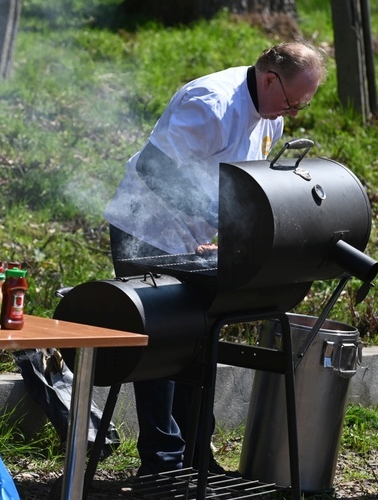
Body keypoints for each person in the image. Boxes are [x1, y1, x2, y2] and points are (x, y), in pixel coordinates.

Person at [104, 38, 327, 477]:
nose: (292, 113)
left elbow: (245, 190)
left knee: (200, 345)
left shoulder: (270, 118)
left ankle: (195, 458)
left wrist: (230, 235)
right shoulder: (211, 104)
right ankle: (162, 463)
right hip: (145, 228)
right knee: (161, 344)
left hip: (194, 241)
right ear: (269, 78)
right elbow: (154, 168)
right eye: (291, 102)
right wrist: (212, 215)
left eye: (299, 106)